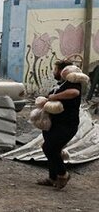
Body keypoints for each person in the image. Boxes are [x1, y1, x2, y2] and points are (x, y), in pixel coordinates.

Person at [37, 60, 82, 190]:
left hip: (67, 125)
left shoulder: (73, 83)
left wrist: (53, 97)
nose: (54, 71)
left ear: (63, 71)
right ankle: (52, 178)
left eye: (55, 69)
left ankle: (63, 175)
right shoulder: (61, 84)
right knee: (52, 149)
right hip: (54, 124)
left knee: (49, 148)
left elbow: (74, 93)